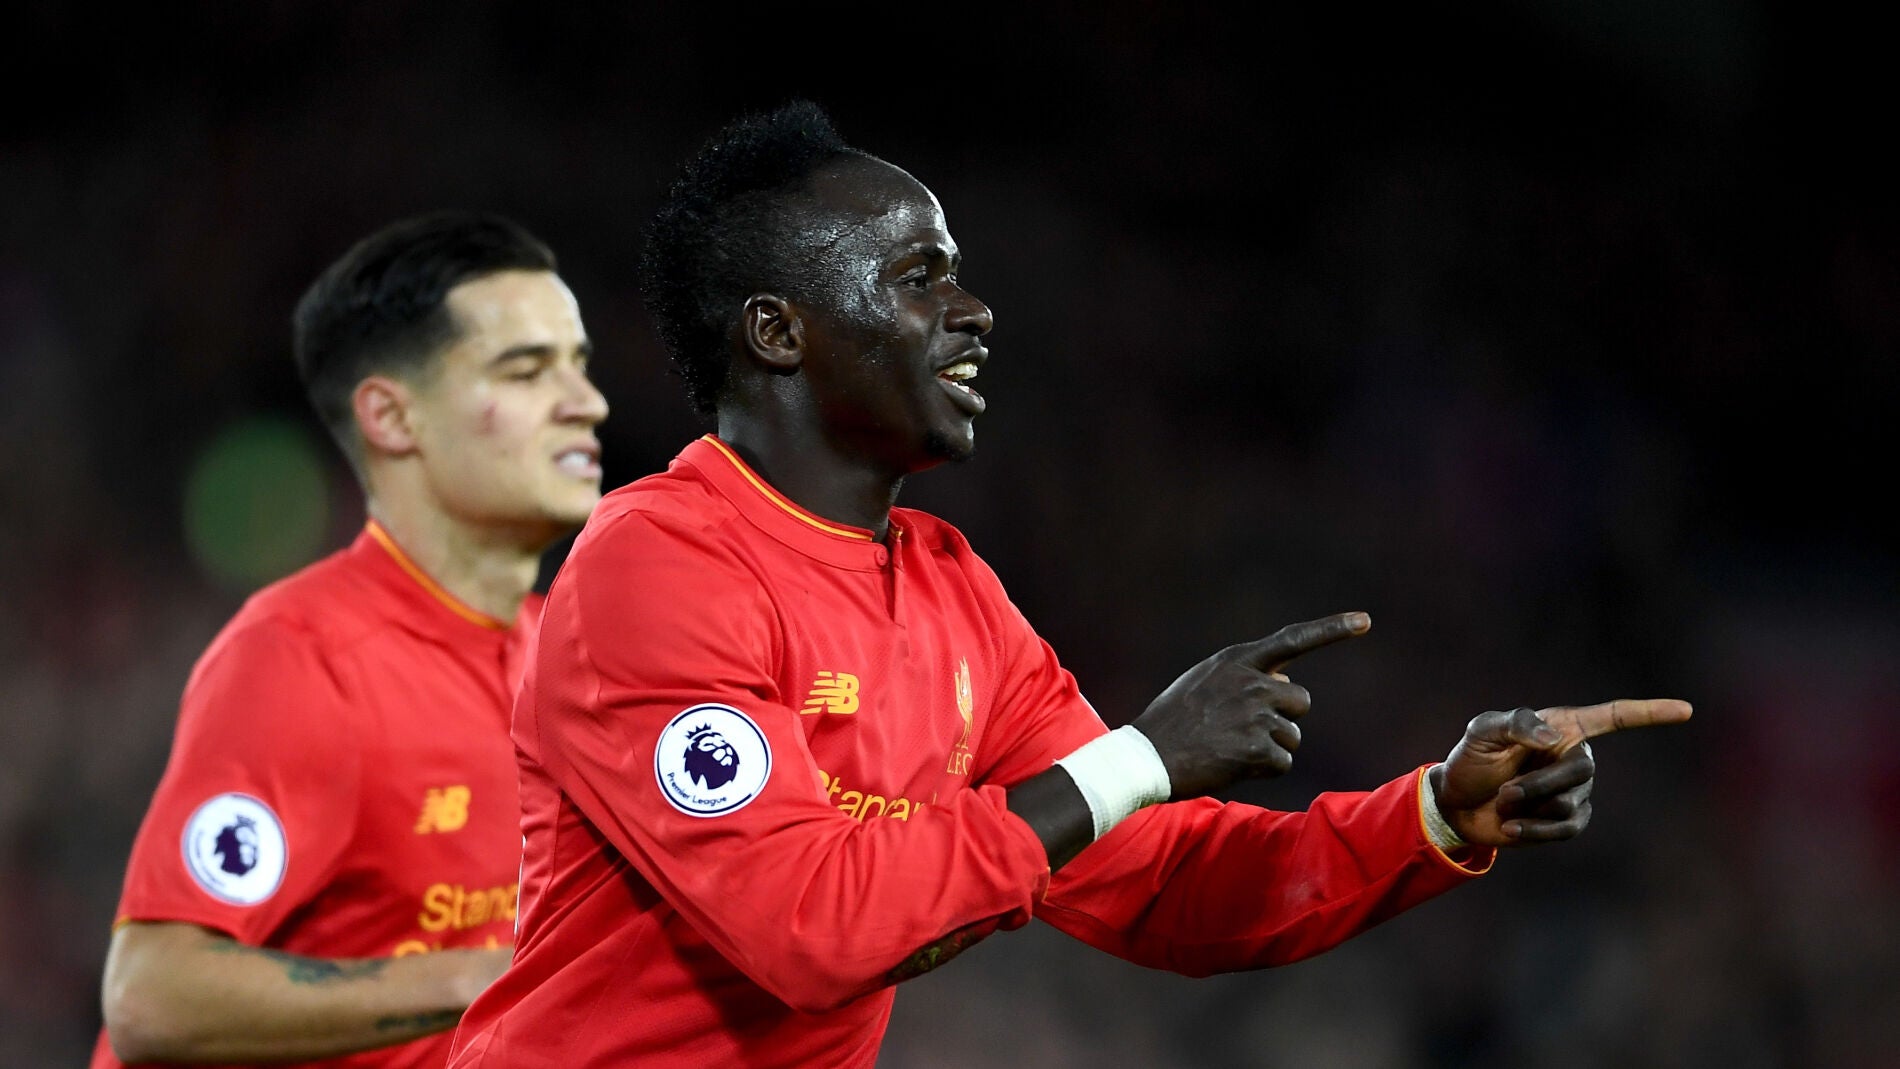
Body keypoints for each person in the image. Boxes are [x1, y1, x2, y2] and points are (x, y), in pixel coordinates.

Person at [446, 102, 1690, 1068]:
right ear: (778, 332)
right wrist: (1137, 757)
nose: (973, 310)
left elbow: (1160, 881)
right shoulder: (657, 565)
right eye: (918, 276)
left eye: (958, 273)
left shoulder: (947, 591)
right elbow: (807, 929)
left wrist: (1431, 814)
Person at [94, 211, 610, 1068]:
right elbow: (152, 996)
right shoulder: (303, 656)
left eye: (580, 366)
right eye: (526, 370)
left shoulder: (573, 655)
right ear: (391, 417)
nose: (586, 402)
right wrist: (486, 976)